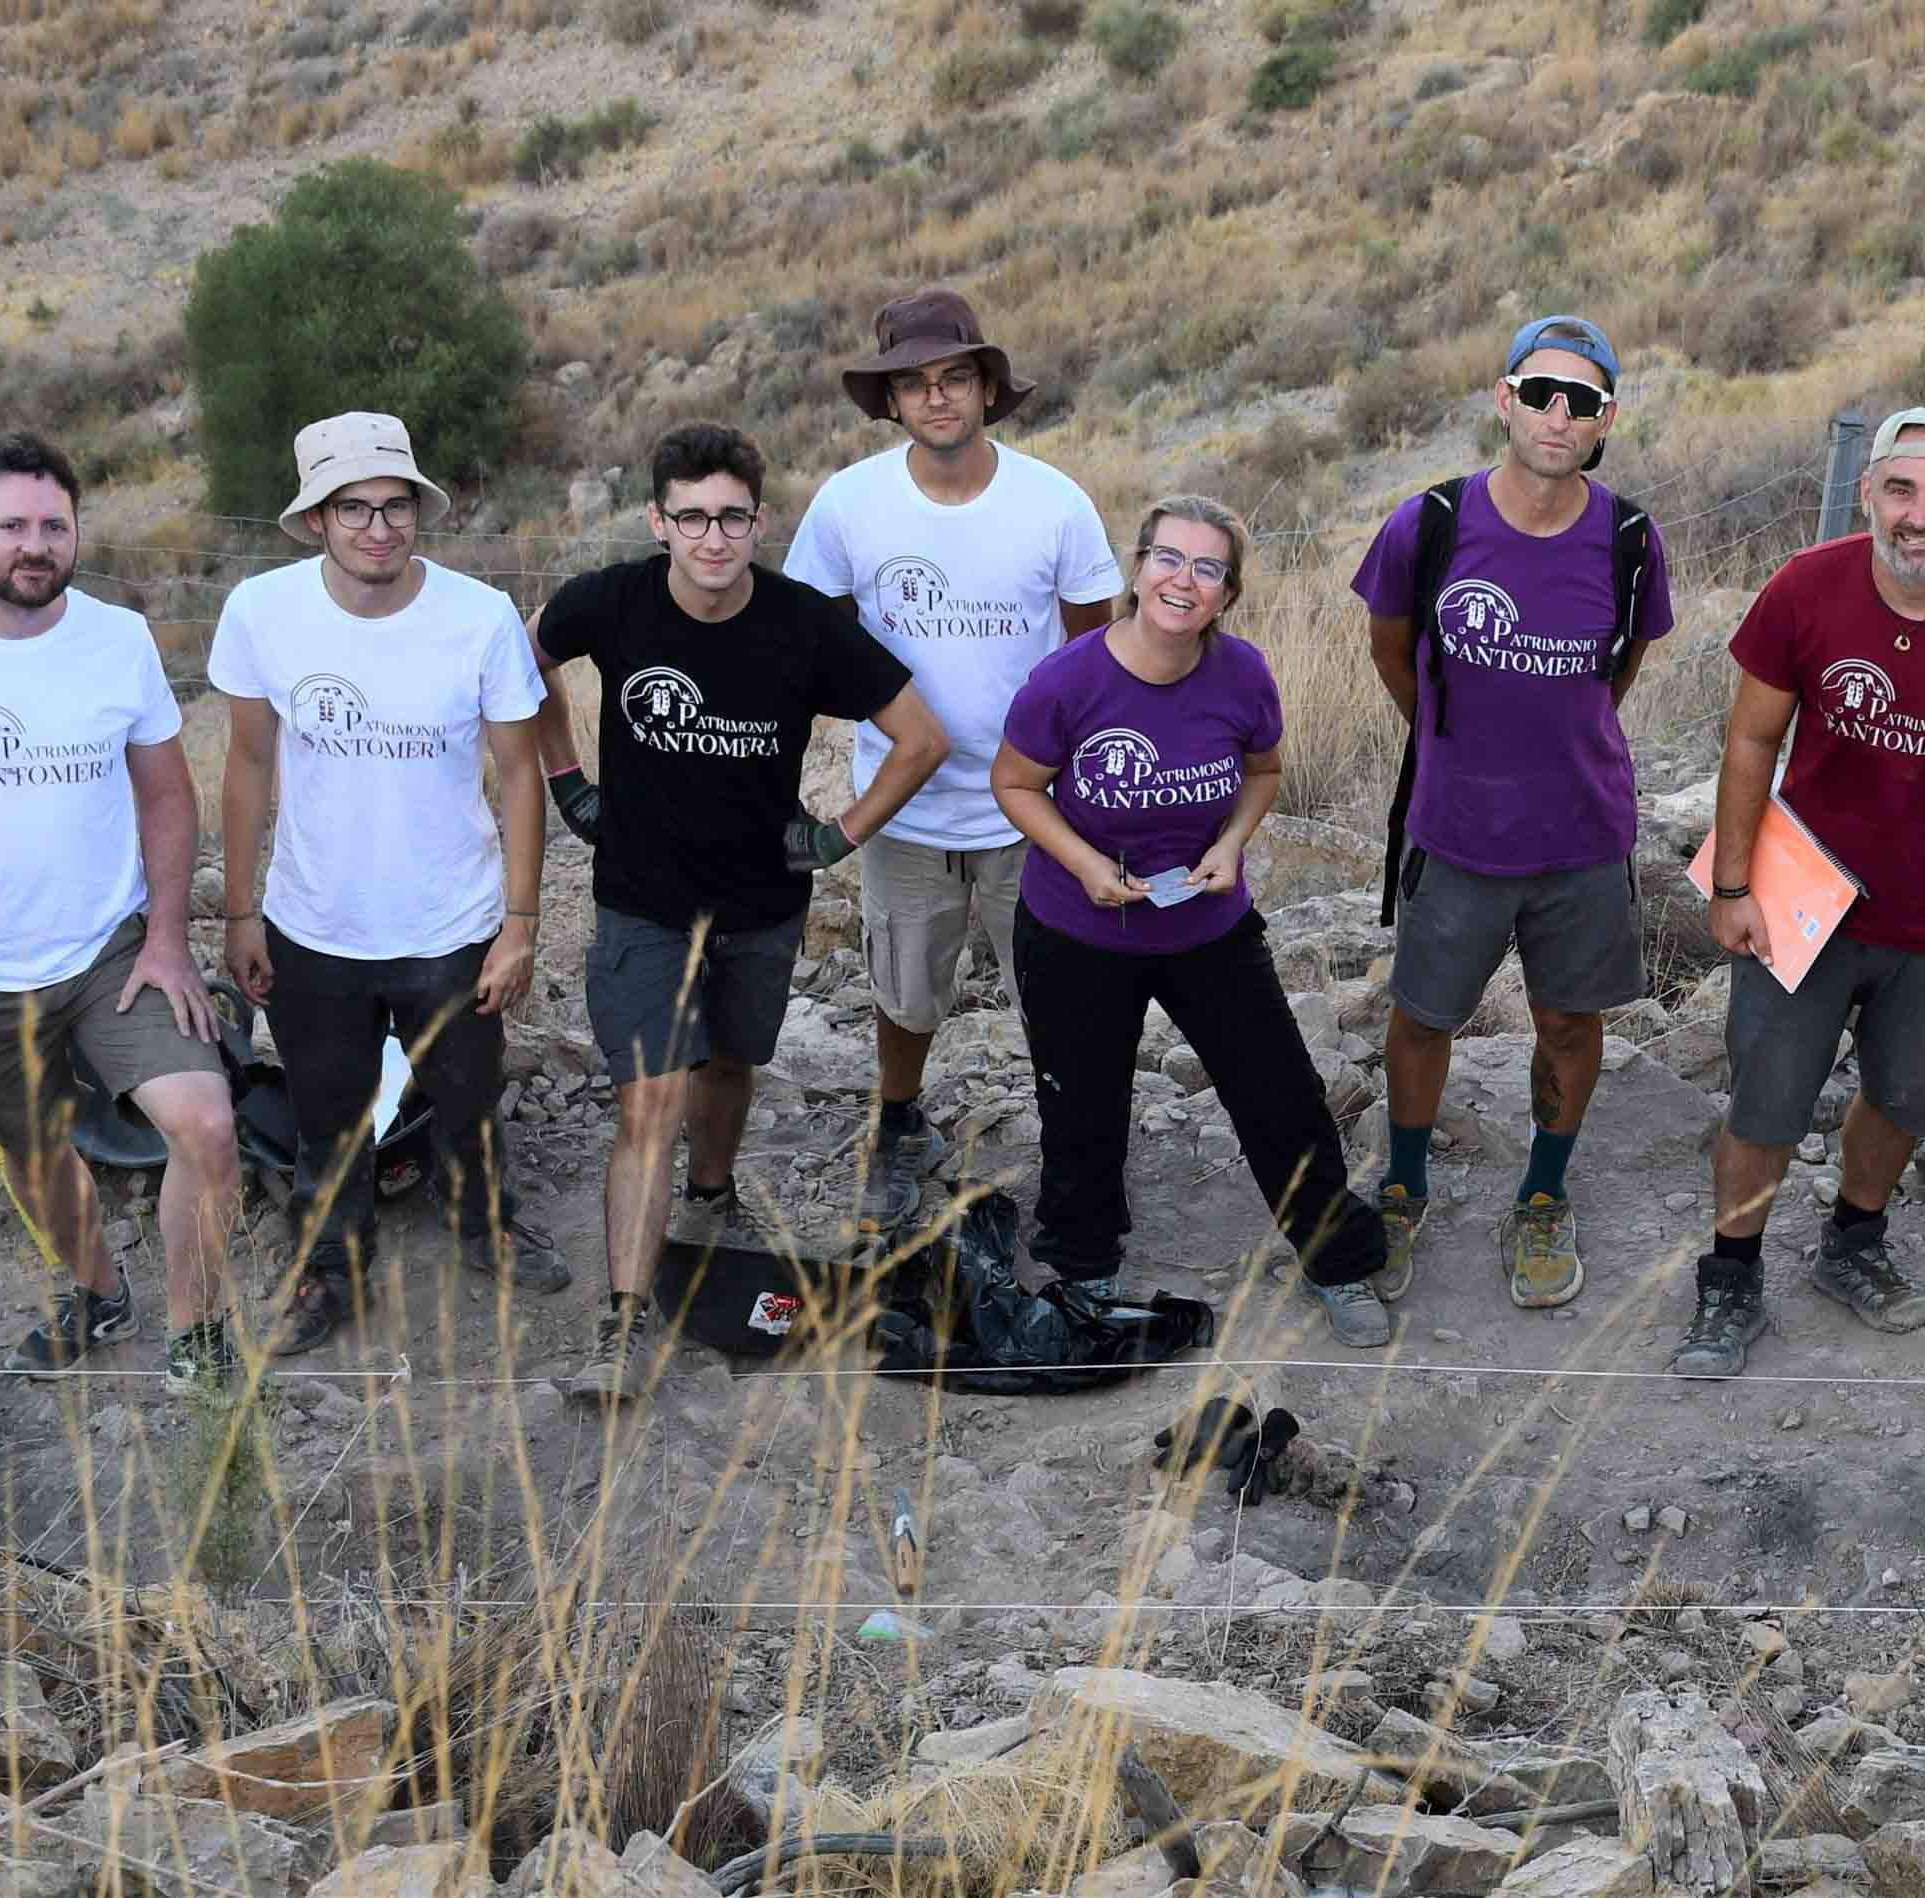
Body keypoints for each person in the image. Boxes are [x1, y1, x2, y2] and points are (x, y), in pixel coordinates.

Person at [530, 424, 950, 1402]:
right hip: (640, 897)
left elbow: (921, 737)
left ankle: (711, 1197)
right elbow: (520, 664)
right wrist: (564, 778)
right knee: (649, 1102)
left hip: (762, 900)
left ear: (758, 520)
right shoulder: (612, 600)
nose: (712, 539)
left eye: (730, 517)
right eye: (691, 517)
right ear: (657, 520)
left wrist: (840, 834)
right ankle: (624, 1324)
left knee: (728, 1064)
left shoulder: (804, 624)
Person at [1678, 408, 1925, 1380]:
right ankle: (1730, 1274)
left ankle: (1852, 1240)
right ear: (1868, 495)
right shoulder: (1806, 588)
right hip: (1799, 908)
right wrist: (1731, 884)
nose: (1920, 515)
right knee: (1766, 1106)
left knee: (1903, 1102)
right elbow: (1749, 741)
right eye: (1900, 489)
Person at [0, 433, 249, 1394]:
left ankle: (199, 1341)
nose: (36, 544)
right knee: (36, 1156)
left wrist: (166, 938)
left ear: (77, 534)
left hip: (113, 951)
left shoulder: (118, 638)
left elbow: (165, 797)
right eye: (13, 525)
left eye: (54, 526)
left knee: (208, 1125)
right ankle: (99, 1295)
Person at [991, 496, 1399, 1347]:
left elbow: (1263, 771)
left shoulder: (1242, 674)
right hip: (1077, 931)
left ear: (1228, 593)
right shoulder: (1067, 679)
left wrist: (1234, 843)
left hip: (1206, 926)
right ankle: (1084, 1266)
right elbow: (1017, 785)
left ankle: (1337, 1260)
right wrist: (1087, 864)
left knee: (1281, 1095)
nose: (1184, 580)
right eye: (1168, 559)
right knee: (1083, 1106)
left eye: (1208, 568)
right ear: (1137, 569)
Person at [211, 412, 561, 1359]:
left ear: (419, 510)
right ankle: (330, 1267)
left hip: (451, 923)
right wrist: (240, 910)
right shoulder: (261, 613)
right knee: (328, 1109)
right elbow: (247, 764)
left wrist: (521, 920)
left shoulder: (479, 617)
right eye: (353, 508)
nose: (378, 527)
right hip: (313, 923)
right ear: (317, 519)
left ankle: (482, 1225)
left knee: (468, 1093)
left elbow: (521, 773)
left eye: (395, 505)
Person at [1353, 314, 1676, 1311]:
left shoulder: (1627, 539)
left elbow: (1610, 677)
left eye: (1580, 400)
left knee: (1570, 1022)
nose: (1556, 412)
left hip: (1580, 836)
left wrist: (1546, 747)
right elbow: (1390, 649)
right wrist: (1459, 739)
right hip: (1456, 832)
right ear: (1504, 398)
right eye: (1540, 391)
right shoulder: (1432, 522)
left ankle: (1542, 1192)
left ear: (1604, 418)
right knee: (1422, 1014)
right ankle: (1403, 1183)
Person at [784, 290, 1125, 1229]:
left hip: (1034, 807)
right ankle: (899, 1126)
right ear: (889, 400)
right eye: (915, 383)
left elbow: (1091, 650)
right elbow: (814, 636)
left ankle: (1077, 1150)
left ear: (987, 390)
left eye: (954, 379)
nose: (937, 399)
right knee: (904, 986)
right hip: (903, 807)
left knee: (1058, 991)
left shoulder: (1054, 503)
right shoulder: (848, 505)